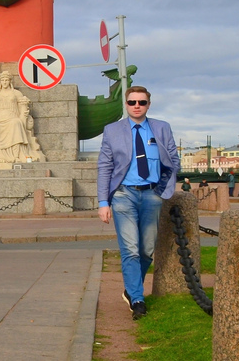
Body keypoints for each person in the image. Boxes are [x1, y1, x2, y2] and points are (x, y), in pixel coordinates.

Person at [97, 85, 180, 321]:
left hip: (152, 195)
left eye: (141, 102)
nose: (136, 106)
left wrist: (165, 185)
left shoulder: (162, 128)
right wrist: (104, 202)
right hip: (124, 195)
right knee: (131, 249)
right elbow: (105, 167)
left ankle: (130, 289)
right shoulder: (112, 131)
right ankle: (137, 299)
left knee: (146, 250)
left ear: (148, 105)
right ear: (126, 104)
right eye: (132, 102)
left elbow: (173, 159)